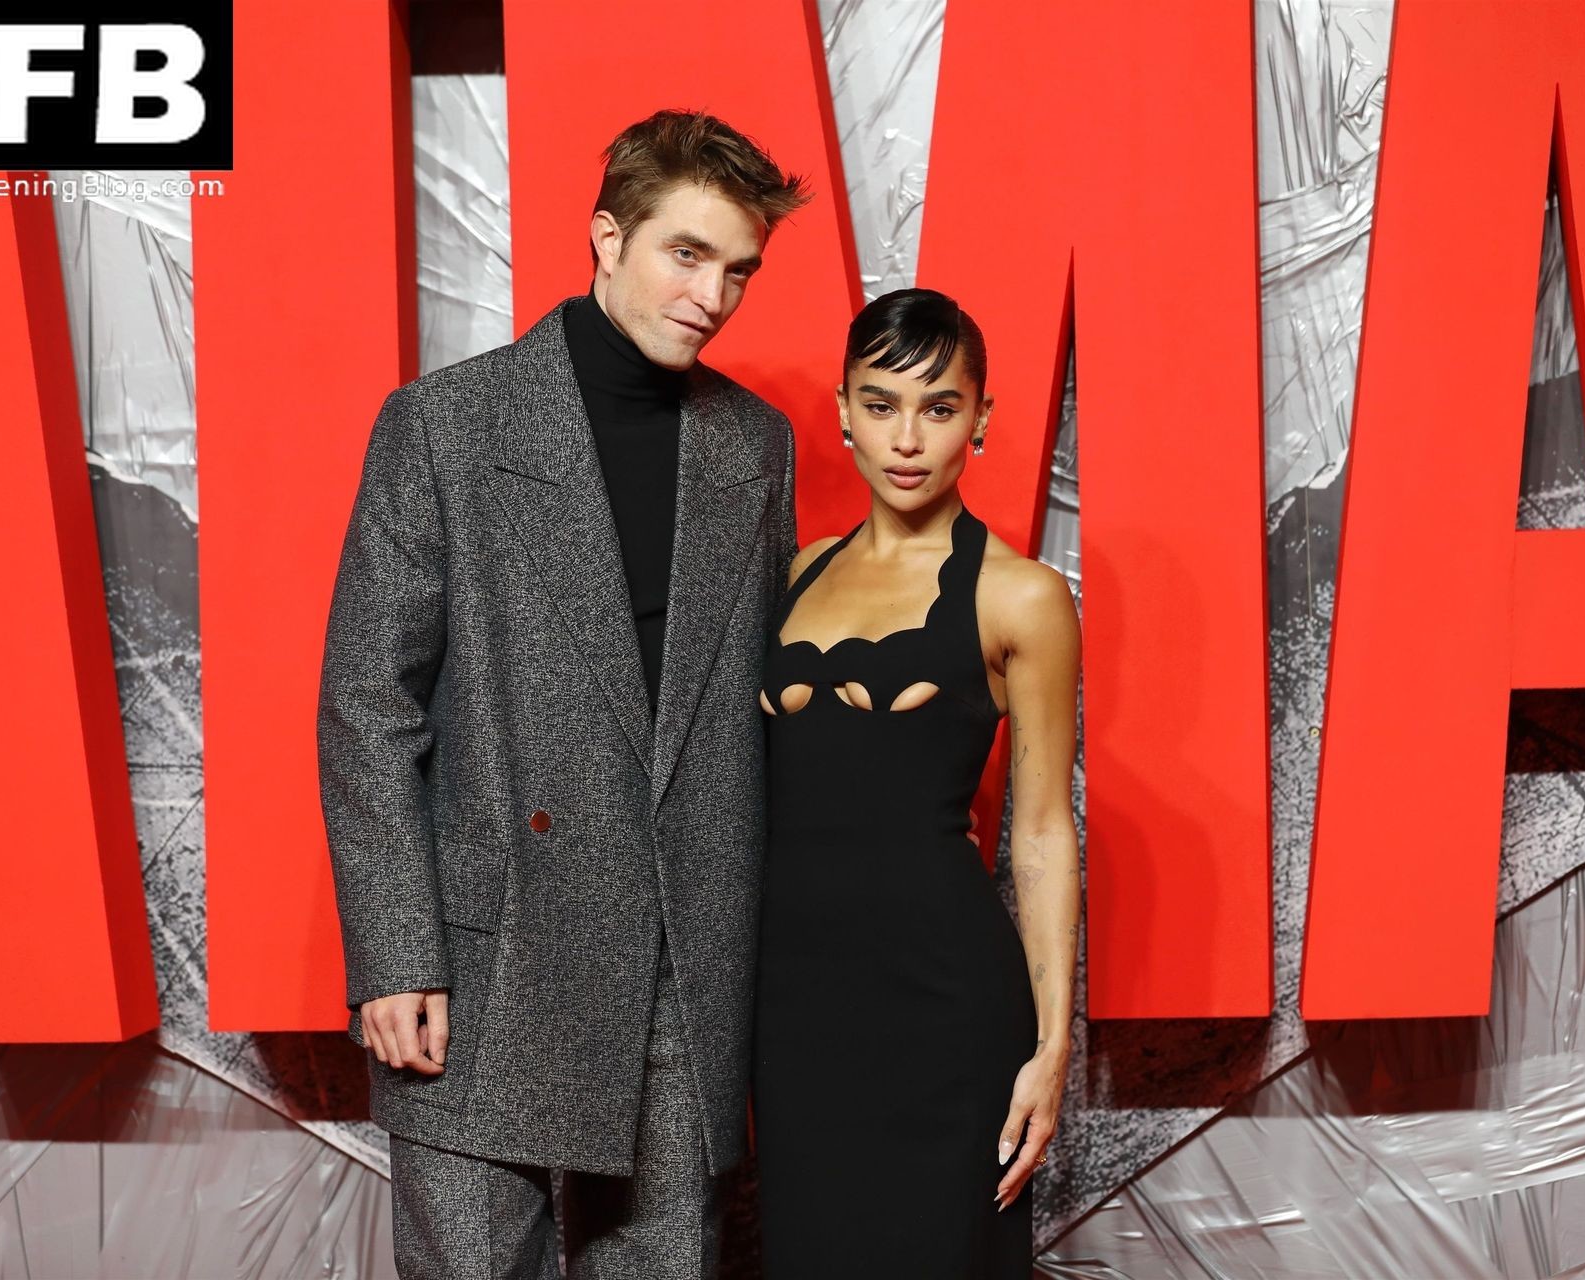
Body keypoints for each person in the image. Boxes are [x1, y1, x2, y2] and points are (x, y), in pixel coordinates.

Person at [316, 110, 809, 1278]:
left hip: (684, 961)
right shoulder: (447, 423)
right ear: (608, 237)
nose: (712, 296)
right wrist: (395, 949)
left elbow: (757, 713)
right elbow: (367, 700)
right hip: (485, 960)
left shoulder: (755, 444)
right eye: (686, 254)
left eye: (738, 270)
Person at [752, 288, 1081, 1276]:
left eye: (939, 408)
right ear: (843, 410)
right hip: (793, 1010)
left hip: (944, 1007)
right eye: (881, 403)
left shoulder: (1021, 594)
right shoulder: (796, 573)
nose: (907, 438)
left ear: (980, 418)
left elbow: (1040, 830)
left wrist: (1053, 1048)